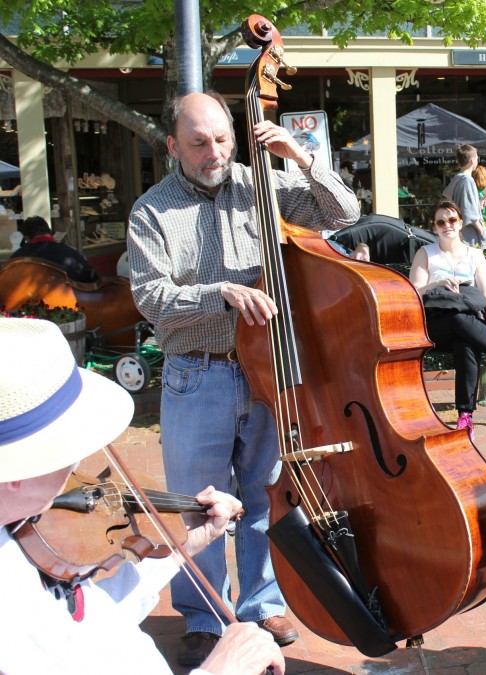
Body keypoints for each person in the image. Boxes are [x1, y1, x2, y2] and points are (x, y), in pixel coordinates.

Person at [127, 90, 359, 666]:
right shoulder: (151, 211)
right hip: (196, 375)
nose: (215, 152)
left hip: (268, 372)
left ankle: (260, 603)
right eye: (199, 142)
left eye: (223, 138)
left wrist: (302, 158)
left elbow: (344, 214)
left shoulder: (263, 186)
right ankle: (207, 615)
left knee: (263, 497)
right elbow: (152, 298)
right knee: (199, 507)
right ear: (173, 145)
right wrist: (221, 293)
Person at [0, 317, 285, 675]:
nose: (77, 462)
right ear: (17, 469)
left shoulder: (18, 531)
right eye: (67, 444)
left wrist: (183, 545)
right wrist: (221, 669)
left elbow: (88, 624)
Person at [409, 200, 486, 440]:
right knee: (457, 319)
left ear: (461, 223)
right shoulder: (426, 254)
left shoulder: (474, 255)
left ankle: (465, 416)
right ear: (434, 228)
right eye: (441, 222)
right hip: (435, 326)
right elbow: (413, 291)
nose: (447, 225)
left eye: (452, 220)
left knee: (466, 344)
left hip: (467, 327)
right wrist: (437, 283)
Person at [11, 215, 99, 284]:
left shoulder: (17, 257)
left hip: (30, 305)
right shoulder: (70, 252)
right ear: (49, 232)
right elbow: (92, 278)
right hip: (69, 303)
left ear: (26, 238)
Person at [442, 145, 486, 247]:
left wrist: (478, 205)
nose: (477, 161)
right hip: (470, 236)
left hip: (459, 234)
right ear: (471, 161)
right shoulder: (468, 180)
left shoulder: (456, 179)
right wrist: (482, 232)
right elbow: (470, 213)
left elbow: (456, 202)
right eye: (477, 158)